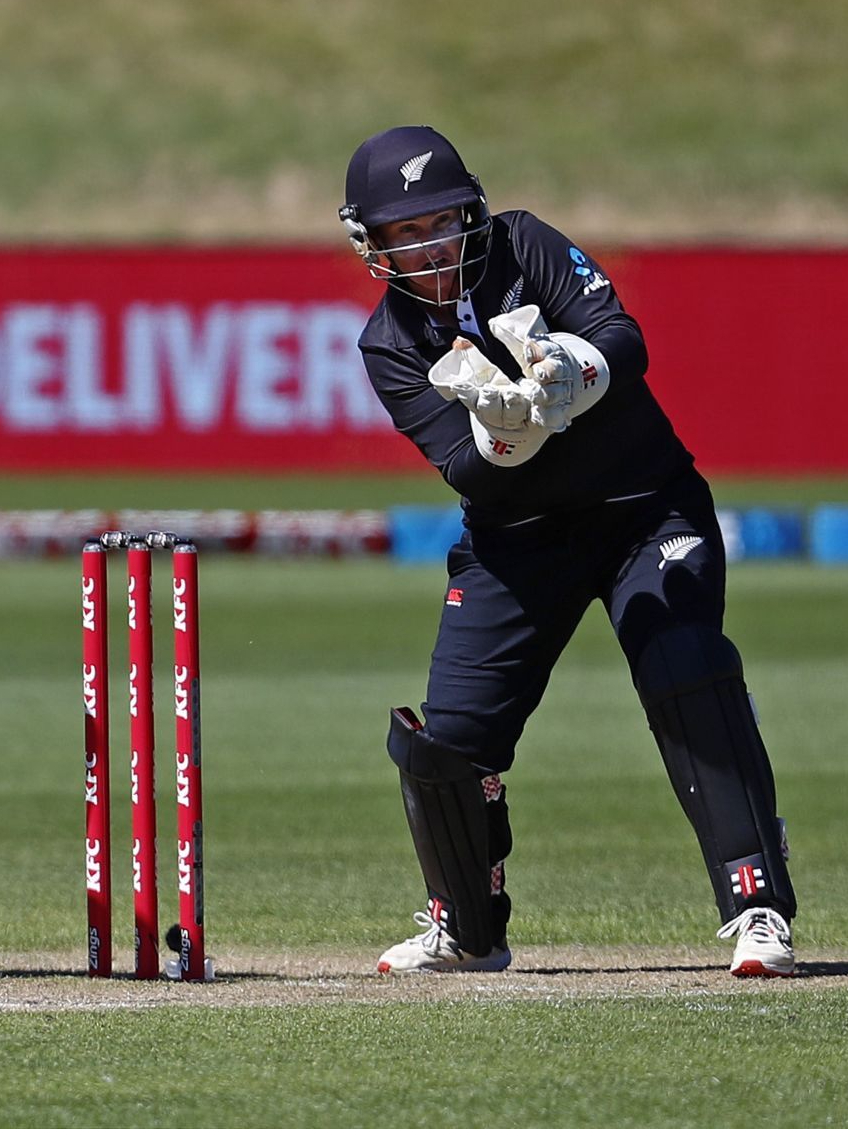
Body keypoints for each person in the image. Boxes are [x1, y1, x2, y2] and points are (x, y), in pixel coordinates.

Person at [338, 125, 797, 978]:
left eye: (440, 221)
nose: (429, 245)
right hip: (518, 540)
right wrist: (505, 433)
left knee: (684, 665)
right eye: (405, 233)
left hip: (645, 510)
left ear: (470, 211)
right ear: (376, 246)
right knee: (452, 740)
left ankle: (758, 903)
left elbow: (624, 338)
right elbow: (468, 471)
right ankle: (467, 928)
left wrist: (567, 374)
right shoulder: (390, 343)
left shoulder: (527, 246)